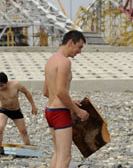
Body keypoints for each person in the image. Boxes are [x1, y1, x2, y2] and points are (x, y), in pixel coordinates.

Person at [43, 30, 90, 168]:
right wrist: (77, 111)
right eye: (79, 47)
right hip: (60, 114)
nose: (80, 51)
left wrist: (70, 100)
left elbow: (46, 91)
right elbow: (61, 92)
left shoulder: (51, 60)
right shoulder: (64, 63)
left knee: (58, 153)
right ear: (71, 42)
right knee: (65, 158)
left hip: (50, 111)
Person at [0, 72, 38, 158]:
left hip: (16, 111)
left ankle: (29, 150)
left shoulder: (15, 85)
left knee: (23, 131)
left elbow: (26, 93)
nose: (0, 88)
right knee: (0, 128)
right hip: (4, 110)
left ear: (6, 82)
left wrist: (33, 106)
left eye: (2, 85)